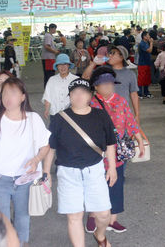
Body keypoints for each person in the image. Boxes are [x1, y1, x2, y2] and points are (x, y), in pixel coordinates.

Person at [0, 77, 51, 245]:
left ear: (23, 97)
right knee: (2, 223)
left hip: (24, 179)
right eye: (5, 93)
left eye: (13, 93)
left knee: (23, 218)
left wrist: (37, 159)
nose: (8, 97)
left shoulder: (33, 119)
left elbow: (45, 145)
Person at [43, 78, 117, 247]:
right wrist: (46, 171)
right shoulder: (60, 119)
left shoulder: (100, 115)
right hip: (68, 173)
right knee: (74, 216)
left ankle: (100, 235)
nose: (78, 96)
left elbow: (111, 142)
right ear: (69, 96)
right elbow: (51, 147)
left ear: (90, 95)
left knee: (104, 214)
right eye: (74, 93)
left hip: (95, 170)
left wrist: (111, 167)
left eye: (83, 92)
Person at [85, 67, 145, 234]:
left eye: (110, 83)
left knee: (116, 185)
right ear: (95, 86)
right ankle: (92, 216)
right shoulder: (90, 102)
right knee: (95, 185)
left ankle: (112, 220)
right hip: (95, 153)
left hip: (117, 152)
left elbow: (130, 122)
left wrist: (140, 140)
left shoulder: (120, 101)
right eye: (103, 84)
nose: (108, 87)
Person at [83, 46, 141, 123]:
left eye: (113, 53)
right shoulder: (102, 70)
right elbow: (85, 77)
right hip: (102, 112)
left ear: (121, 57)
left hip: (121, 113)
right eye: (110, 53)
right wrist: (94, 63)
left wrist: (137, 114)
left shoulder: (130, 74)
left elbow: (134, 94)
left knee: (122, 134)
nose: (109, 55)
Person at [42, 54, 79, 120]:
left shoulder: (75, 80)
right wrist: (46, 109)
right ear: (57, 66)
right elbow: (47, 96)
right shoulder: (52, 79)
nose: (63, 67)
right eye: (60, 65)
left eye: (65, 64)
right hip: (55, 114)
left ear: (68, 66)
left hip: (72, 115)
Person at [137, 31, 154, 98]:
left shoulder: (146, 43)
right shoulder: (142, 44)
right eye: (148, 35)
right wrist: (151, 43)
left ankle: (146, 92)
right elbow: (149, 50)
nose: (149, 37)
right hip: (142, 63)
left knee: (147, 78)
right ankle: (140, 93)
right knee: (141, 78)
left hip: (147, 63)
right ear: (144, 37)